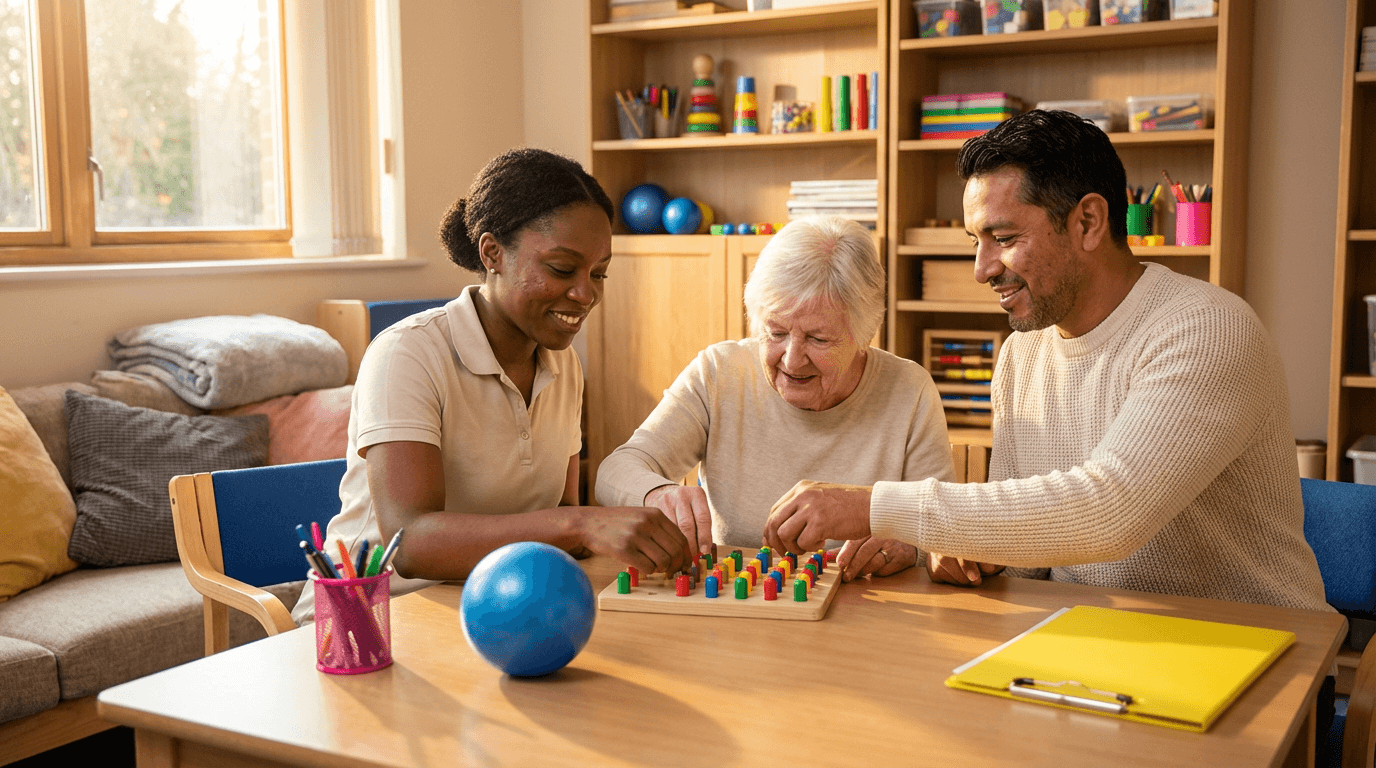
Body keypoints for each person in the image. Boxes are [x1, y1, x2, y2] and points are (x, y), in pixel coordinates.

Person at [761, 110, 1331, 615]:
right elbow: (1029, 553)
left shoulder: (1206, 329)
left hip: (1257, 648)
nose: (982, 269)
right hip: (1094, 638)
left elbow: (1109, 511)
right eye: (974, 242)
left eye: (1003, 238)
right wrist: (966, 552)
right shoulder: (1023, 353)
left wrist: (874, 507)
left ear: (1088, 222)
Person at [293, 148, 690, 624]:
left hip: (498, 605)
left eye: (599, 273)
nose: (587, 294)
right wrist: (583, 523)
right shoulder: (407, 354)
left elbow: (556, 514)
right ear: (492, 253)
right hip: (372, 622)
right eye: (563, 269)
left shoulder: (565, 368)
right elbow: (412, 545)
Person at [596, 215, 954, 582]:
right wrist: (658, 494)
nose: (792, 359)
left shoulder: (908, 388)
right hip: (741, 602)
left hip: (863, 605)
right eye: (776, 332)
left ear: (865, 335)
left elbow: (947, 530)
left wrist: (910, 548)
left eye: (818, 339)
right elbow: (615, 470)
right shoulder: (719, 372)